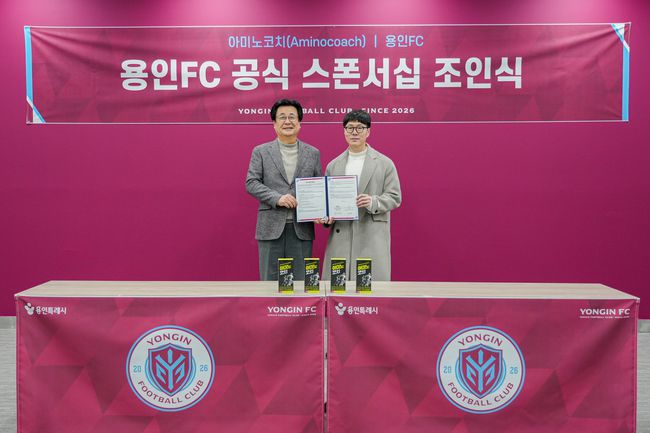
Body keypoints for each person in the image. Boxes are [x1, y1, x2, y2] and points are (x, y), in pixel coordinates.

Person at [246, 99, 322, 281]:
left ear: (299, 122)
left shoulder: (313, 153)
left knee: (302, 282)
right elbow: (251, 182)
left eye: (292, 117)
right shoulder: (261, 151)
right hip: (270, 228)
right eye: (282, 117)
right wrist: (277, 198)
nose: (287, 121)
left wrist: (321, 212)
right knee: (270, 283)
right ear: (274, 123)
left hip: (301, 229)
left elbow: (318, 186)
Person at [323, 109, 402, 281]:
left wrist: (373, 201)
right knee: (339, 288)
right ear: (344, 131)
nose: (354, 132)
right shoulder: (333, 165)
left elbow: (395, 197)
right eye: (350, 128)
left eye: (360, 128)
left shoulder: (384, 163)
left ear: (368, 131)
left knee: (370, 290)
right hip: (341, 234)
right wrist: (326, 216)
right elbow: (327, 201)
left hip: (371, 234)